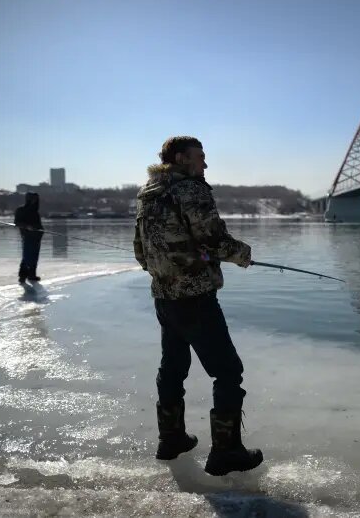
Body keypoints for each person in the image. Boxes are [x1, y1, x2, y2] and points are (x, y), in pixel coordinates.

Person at [133, 136, 263, 476]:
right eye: (199, 157)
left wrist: (168, 272)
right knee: (228, 371)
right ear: (180, 158)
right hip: (195, 298)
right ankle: (226, 452)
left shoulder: (148, 194)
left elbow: (139, 251)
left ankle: (171, 439)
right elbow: (213, 239)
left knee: (173, 369)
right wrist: (243, 255)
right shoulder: (191, 190)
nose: (205, 164)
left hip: (165, 297)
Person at [14, 192, 44, 283]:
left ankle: (32, 275)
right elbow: (17, 222)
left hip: (37, 236)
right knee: (27, 256)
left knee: (34, 256)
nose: (35, 201)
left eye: (36, 199)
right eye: (33, 199)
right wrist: (27, 226)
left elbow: (39, 224)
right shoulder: (21, 210)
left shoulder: (35, 212)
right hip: (27, 236)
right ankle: (22, 275)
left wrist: (41, 230)